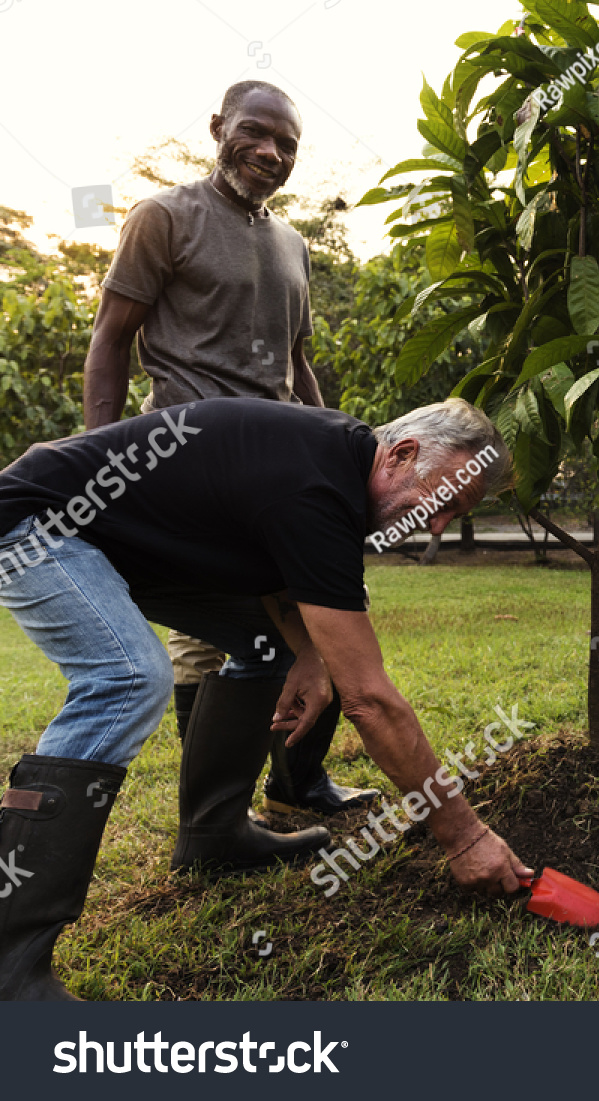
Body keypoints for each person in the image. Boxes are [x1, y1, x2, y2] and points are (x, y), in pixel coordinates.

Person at [0, 398, 529, 1000]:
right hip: (39, 524)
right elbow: (370, 701)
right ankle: (9, 963)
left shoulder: (339, 466)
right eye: (442, 502)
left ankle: (213, 836)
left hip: (130, 547)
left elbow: (276, 561)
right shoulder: (315, 485)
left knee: (268, 646)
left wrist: (305, 652)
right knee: (127, 678)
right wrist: (463, 835)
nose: (435, 525)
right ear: (403, 454)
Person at [82, 79, 376, 816]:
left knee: (327, 614)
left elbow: (297, 362)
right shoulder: (163, 218)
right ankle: (217, 808)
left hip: (281, 475)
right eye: (255, 133)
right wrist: (101, 459)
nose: (269, 152)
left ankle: (300, 781)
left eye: (287, 145)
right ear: (218, 128)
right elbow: (111, 339)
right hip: (189, 467)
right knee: (207, 639)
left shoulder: (292, 245)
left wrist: (337, 451)